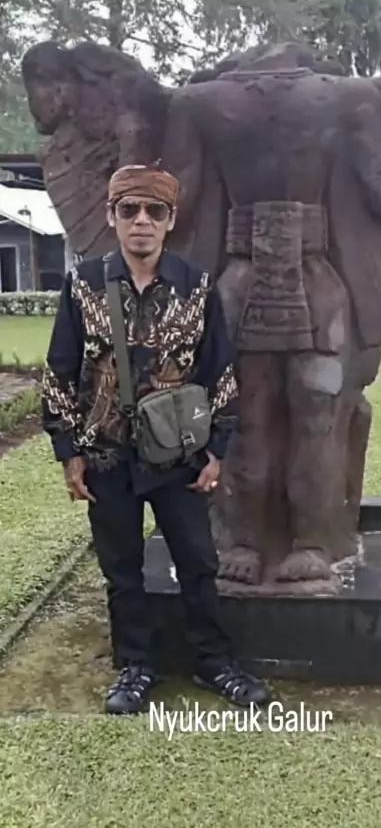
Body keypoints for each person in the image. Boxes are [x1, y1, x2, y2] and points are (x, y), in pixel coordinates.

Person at [41, 162, 271, 714]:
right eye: (129, 209)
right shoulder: (83, 285)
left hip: (178, 457)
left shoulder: (196, 286)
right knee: (122, 571)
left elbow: (219, 371)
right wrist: (68, 452)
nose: (141, 220)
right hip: (106, 456)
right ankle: (135, 666)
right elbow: (60, 370)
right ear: (112, 217)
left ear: (170, 220)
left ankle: (214, 662)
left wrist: (216, 450)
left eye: (154, 210)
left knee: (199, 563)